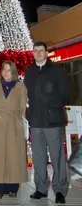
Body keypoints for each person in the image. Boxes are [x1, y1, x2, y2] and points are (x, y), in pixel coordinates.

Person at [25, 41, 70, 204]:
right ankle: (41, 188)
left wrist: (50, 102)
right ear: (33, 53)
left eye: (41, 51)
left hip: (53, 120)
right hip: (36, 121)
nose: (38, 53)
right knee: (38, 157)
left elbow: (65, 94)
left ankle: (60, 190)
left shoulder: (57, 71)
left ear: (46, 53)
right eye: (35, 51)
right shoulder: (29, 71)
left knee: (57, 157)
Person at [0, 61, 28, 199]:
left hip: (14, 124)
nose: (6, 72)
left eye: (9, 70)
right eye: (4, 69)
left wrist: (21, 125)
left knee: (13, 157)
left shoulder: (20, 86)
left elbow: (23, 108)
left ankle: (12, 188)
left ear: (14, 72)